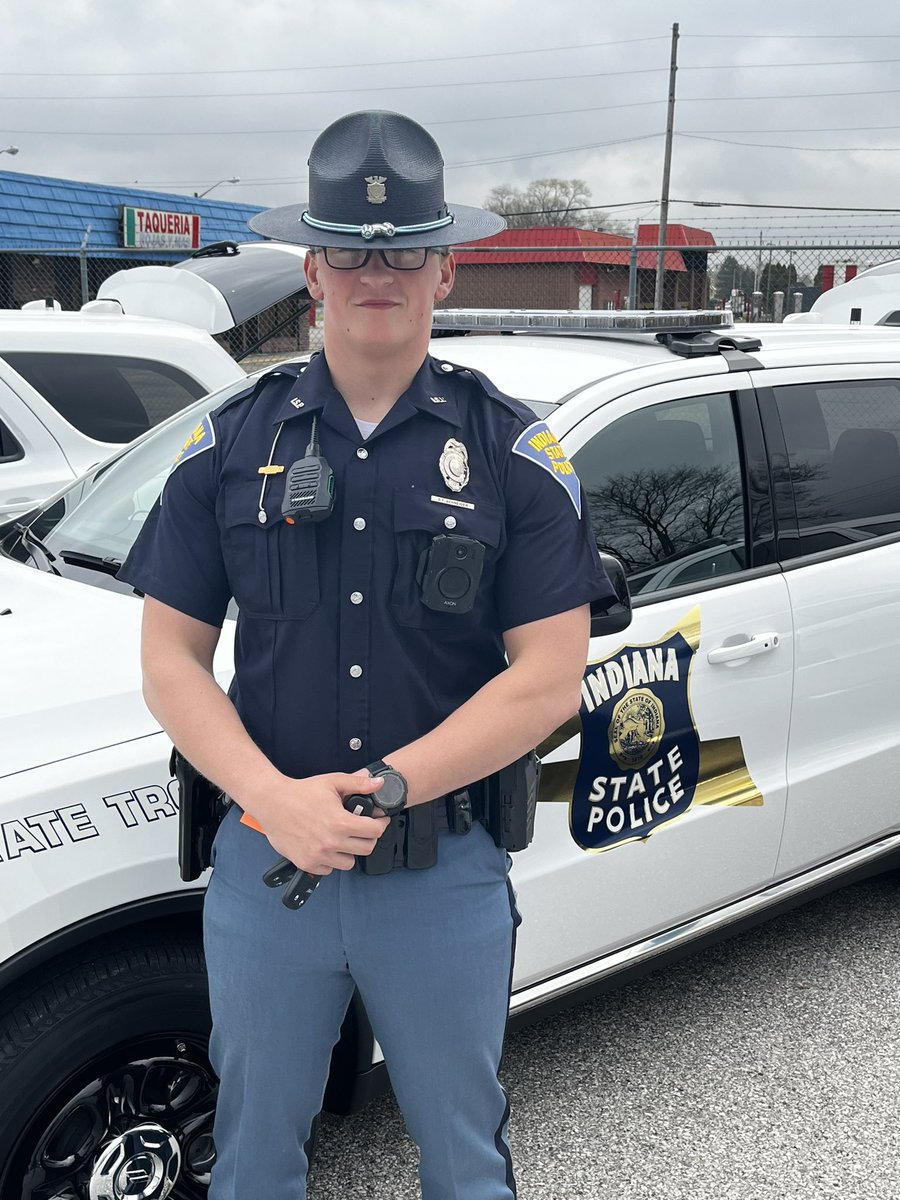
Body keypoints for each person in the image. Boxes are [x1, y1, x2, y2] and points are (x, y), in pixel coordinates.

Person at [119, 109, 614, 1200]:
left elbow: (547, 676)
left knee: (464, 1154)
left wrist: (392, 784)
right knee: (250, 1150)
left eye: (402, 251)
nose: (375, 271)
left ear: (444, 267)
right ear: (313, 268)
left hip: (441, 872)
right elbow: (170, 658)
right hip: (265, 866)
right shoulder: (229, 446)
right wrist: (270, 798)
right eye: (350, 248)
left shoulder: (513, 454)